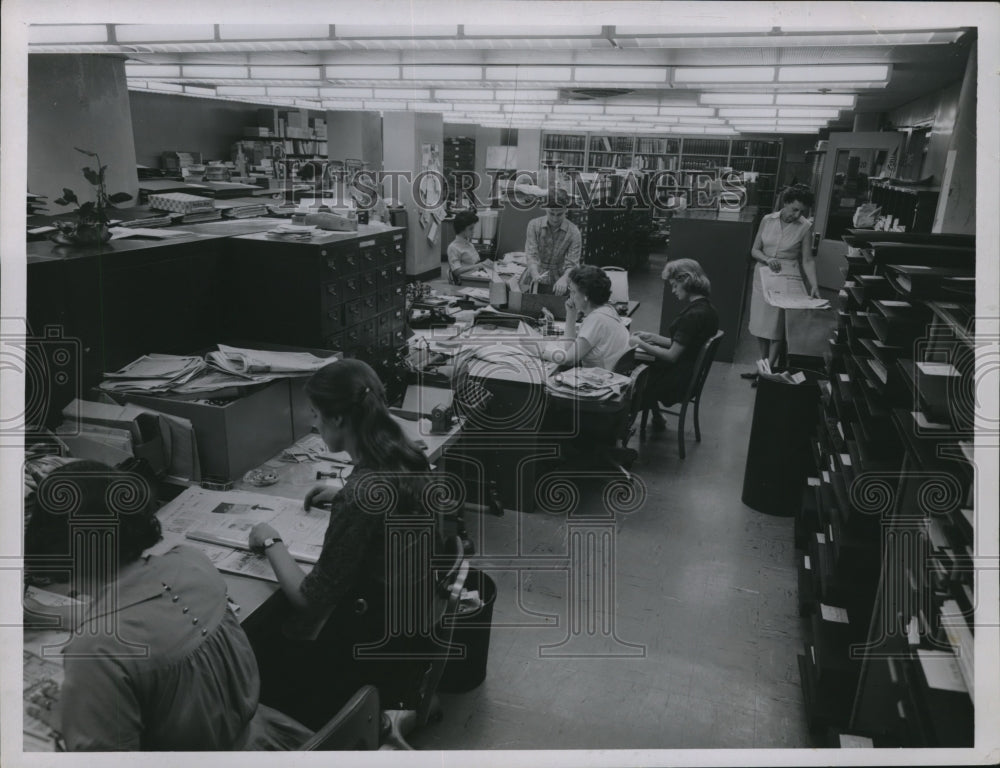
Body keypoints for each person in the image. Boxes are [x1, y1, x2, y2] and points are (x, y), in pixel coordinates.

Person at [23, 460, 312, 751]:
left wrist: (73, 723)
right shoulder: (192, 562)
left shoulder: (96, 651)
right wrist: (47, 613)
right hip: (269, 739)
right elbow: (148, 613)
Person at [247, 359, 442, 729]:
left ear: (338, 419)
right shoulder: (406, 454)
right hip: (405, 631)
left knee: (263, 657)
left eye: (317, 414)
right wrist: (342, 494)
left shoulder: (362, 494)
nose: (312, 423)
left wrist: (270, 539)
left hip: (369, 650)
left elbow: (310, 597)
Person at [631, 259, 719, 432]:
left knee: (633, 374)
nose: (673, 291)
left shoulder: (693, 316)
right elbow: (686, 344)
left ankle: (620, 424)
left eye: (674, 285)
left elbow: (672, 356)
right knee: (643, 365)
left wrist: (639, 343)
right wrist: (653, 338)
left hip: (678, 380)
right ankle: (656, 417)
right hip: (688, 372)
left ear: (685, 279)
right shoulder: (706, 309)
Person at [745, 185, 819, 376]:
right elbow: (755, 250)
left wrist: (814, 284)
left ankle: (767, 371)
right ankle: (763, 367)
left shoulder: (805, 227)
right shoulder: (767, 220)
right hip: (764, 274)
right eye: (794, 209)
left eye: (802, 211)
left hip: (787, 277)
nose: (797, 215)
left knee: (776, 328)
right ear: (785, 203)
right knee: (760, 325)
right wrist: (767, 259)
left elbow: (807, 259)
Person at [538, 265, 631, 371]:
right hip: (610, 379)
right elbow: (570, 349)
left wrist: (541, 352)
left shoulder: (596, 320)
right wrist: (571, 315)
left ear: (586, 296)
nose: (570, 297)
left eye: (573, 292)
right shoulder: (609, 310)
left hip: (599, 382)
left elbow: (569, 360)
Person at [523, 190, 581, 295]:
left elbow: (572, 264)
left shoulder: (574, 232)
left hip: (559, 280)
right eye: (551, 213)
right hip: (534, 275)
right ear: (545, 208)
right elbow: (531, 255)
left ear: (566, 210)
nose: (555, 219)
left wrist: (564, 279)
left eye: (559, 214)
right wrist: (535, 273)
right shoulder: (534, 225)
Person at [447, 209, 492, 282]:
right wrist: (479, 265)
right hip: (467, 281)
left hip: (477, 275)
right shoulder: (453, 247)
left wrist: (485, 264)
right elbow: (456, 271)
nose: (473, 231)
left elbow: (476, 262)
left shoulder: (469, 244)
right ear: (462, 229)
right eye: (471, 229)